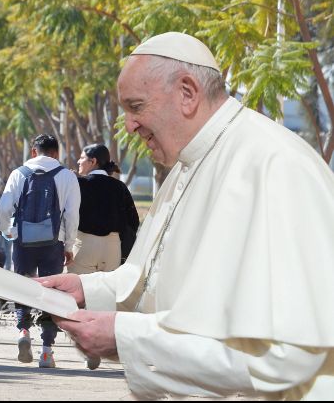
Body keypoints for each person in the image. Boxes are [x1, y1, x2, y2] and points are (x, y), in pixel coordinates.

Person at [41, 32, 334, 400]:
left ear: (187, 93)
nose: (129, 125)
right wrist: (85, 290)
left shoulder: (276, 165)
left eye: (136, 106)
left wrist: (125, 337)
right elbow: (154, 278)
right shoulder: (188, 164)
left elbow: (284, 355)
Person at [0, 134, 80, 369]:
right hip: (54, 242)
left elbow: (4, 207)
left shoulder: (19, 173)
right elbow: (72, 215)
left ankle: (23, 331)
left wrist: (8, 231)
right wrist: (69, 245)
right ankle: (46, 352)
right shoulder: (67, 176)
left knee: (23, 288)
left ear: (33, 151)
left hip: (23, 240)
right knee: (51, 295)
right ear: (56, 153)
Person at [72, 143, 140, 272]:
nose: (78, 161)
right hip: (113, 248)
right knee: (107, 285)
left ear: (93, 161)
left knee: (78, 284)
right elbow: (133, 221)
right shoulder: (120, 186)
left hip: (85, 245)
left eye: (82, 158)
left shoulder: (79, 184)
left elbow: (68, 216)